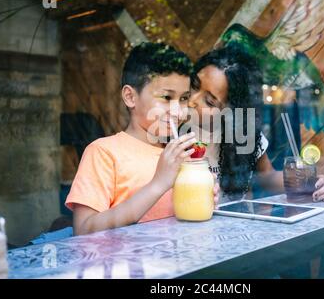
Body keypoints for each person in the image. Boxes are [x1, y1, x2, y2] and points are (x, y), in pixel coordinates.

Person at [65, 42, 219, 236]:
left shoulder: (181, 155)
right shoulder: (103, 152)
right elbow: (84, 230)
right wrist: (158, 184)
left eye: (183, 99)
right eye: (166, 97)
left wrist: (204, 198)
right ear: (130, 97)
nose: (178, 111)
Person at [187, 45, 324, 203]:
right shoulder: (174, 132)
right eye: (194, 86)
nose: (192, 101)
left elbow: (266, 176)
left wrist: (310, 184)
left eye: (209, 101)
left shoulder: (243, 135)